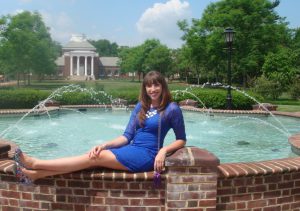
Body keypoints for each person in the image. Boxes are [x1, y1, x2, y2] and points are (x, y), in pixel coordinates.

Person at [13, 70, 186, 184]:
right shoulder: (141, 106)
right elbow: (126, 136)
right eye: (149, 85)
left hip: (147, 155)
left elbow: (181, 140)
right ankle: (35, 175)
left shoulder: (171, 109)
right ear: (145, 88)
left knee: (94, 159)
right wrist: (104, 145)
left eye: (156, 84)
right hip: (132, 148)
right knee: (92, 157)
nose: (153, 89)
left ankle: (35, 163)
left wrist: (163, 151)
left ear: (163, 86)